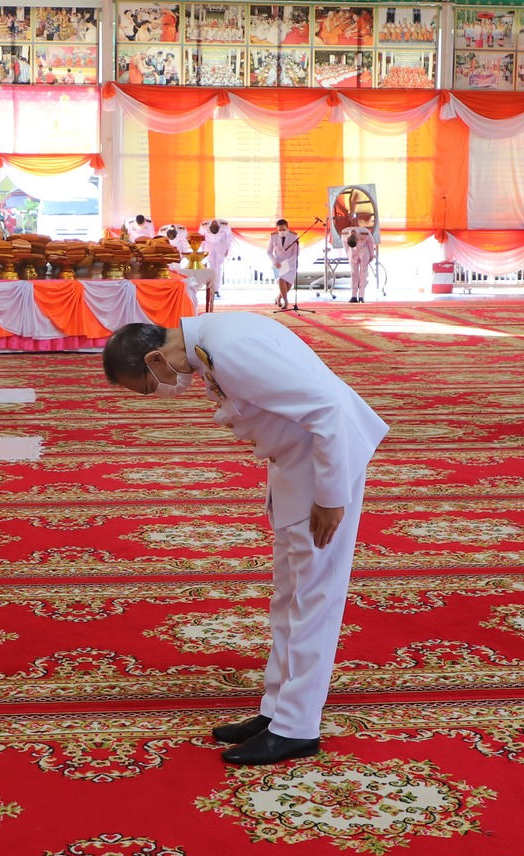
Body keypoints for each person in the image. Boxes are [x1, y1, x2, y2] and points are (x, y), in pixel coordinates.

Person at [101, 315, 388, 765]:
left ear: (155, 358)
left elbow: (328, 407)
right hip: (296, 463)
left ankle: (297, 728)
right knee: (288, 596)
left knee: (314, 601)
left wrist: (333, 496)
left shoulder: (230, 350)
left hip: (324, 467)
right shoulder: (213, 342)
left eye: (147, 386)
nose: (159, 393)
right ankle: (277, 710)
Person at [268, 218, 301, 312]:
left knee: (288, 286)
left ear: (287, 228)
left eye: (284, 229)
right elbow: (269, 252)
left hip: (291, 262)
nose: (282, 232)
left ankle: (278, 297)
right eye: (280, 230)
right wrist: (275, 261)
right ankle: (286, 301)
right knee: (281, 279)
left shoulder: (294, 236)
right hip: (278, 263)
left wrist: (288, 263)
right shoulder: (273, 237)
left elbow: (296, 253)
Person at [344, 218, 377, 303]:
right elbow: (345, 246)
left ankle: (361, 296)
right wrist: (348, 255)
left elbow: (371, 242)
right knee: (353, 273)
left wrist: (372, 255)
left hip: (364, 251)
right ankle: (353, 296)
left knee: (363, 273)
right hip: (352, 253)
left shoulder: (365, 232)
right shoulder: (344, 233)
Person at [202, 218, 235, 300]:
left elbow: (229, 238)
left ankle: (217, 289)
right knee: (210, 268)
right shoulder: (203, 226)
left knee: (218, 269)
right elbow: (201, 238)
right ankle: (210, 289)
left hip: (221, 248)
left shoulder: (225, 226)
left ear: (218, 226)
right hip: (209, 248)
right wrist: (202, 251)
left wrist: (228, 249)